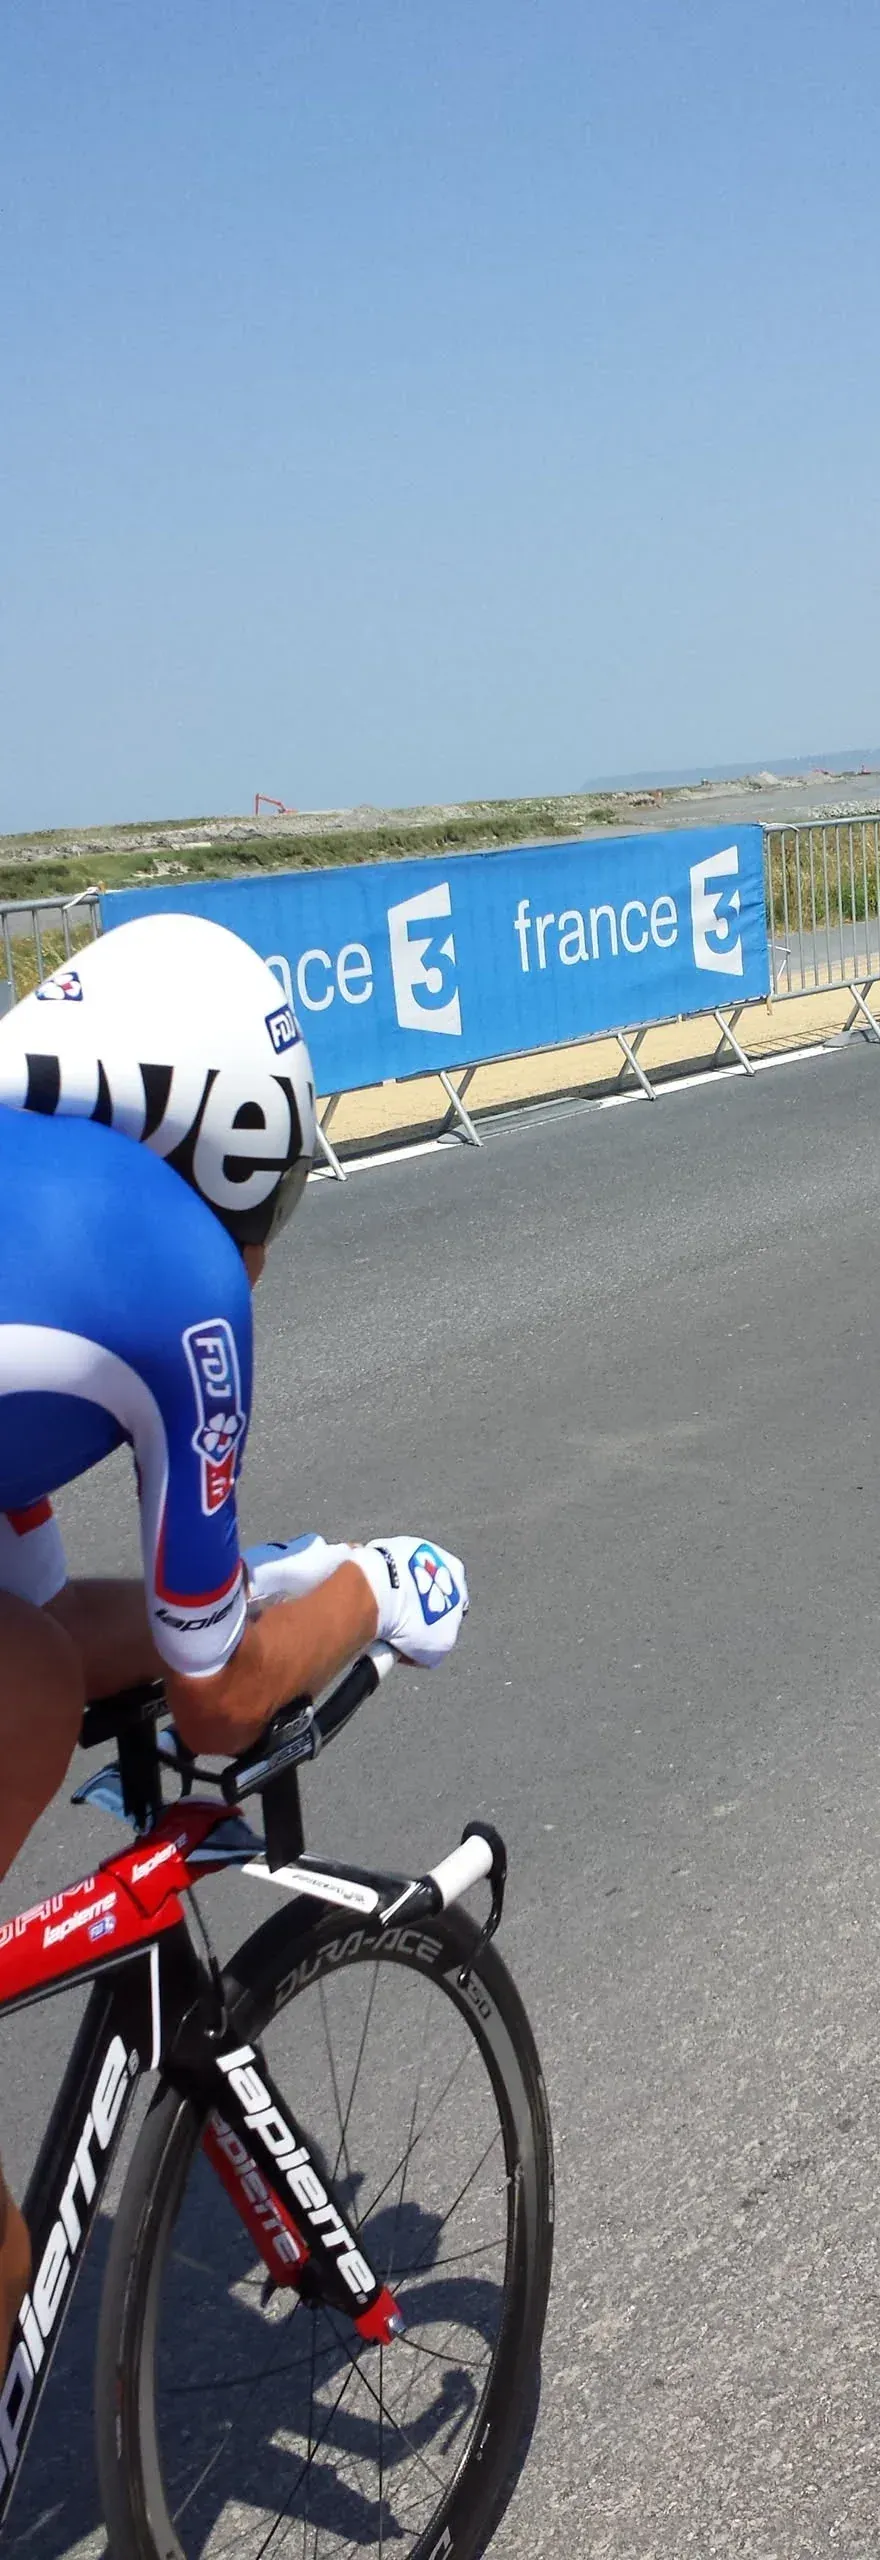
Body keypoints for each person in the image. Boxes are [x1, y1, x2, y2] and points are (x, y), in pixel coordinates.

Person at [0, 911, 469, 2355]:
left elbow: (47, 1632)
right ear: (231, 1145)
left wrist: (225, 1597)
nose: (267, 1239)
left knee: (20, 1682)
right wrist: (368, 1593)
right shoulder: (184, 1284)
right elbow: (216, 1711)